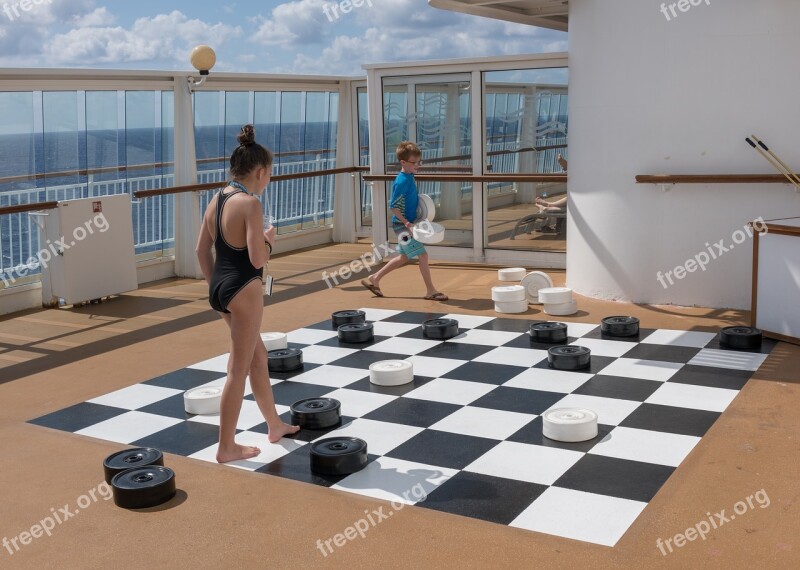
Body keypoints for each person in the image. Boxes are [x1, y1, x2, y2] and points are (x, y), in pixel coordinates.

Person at [196, 124, 299, 463]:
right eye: (269, 175)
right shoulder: (250, 204)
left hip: (222, 288)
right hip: (245, 289)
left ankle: (274, 425)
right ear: (260, 171)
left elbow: (201, 251)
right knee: (236, 370)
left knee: (257, 357)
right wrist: (269, 239)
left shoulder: (217, 198)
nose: (268, 180)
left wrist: (217, 289)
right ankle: (226, 446)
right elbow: (258, 258)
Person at [361, 141, 448, 301]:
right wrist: (407, 224)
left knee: (404, 257)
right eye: (414, 163)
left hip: (405, 224)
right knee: (423, 255)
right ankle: (431, 291)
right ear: (403, 162)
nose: (418, 165)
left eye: (419, 162)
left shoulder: (409, 176)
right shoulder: (402, 181)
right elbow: (393, 206)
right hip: (403, 225)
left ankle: (375, 279)